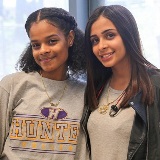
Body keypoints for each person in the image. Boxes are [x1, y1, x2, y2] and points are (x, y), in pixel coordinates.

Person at [0, 7, 89, 160]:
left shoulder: (85, 93)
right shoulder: (12, 85)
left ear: (70, 38)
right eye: (36, 45)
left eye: (52, 41)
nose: (43, 50)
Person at [81, 5, 160, 160]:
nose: (101, 46)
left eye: (110, 35)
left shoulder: (155, 85)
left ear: (128, 35)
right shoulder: (97, 86)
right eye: (95, 40)